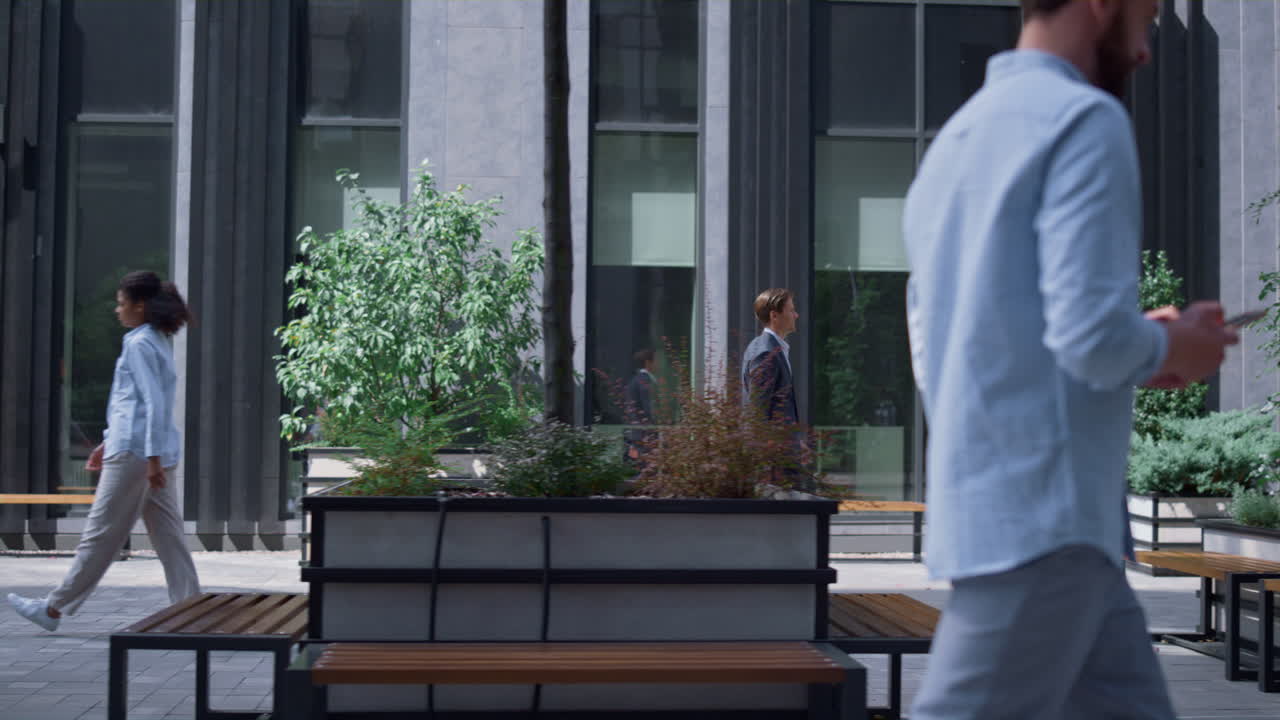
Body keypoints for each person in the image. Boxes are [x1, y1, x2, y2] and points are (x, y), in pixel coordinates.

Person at [902, 1, 1239, 717]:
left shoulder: (954, 143)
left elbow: (953, 348)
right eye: (1144, 19)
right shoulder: (1083, 120)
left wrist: (1133, 341)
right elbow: (1091, 341)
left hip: (1015, 514)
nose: (1144, 51)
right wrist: (1174, 344)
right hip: (1048, 520)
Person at [8, 271, 201, 631]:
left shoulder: (138, 343)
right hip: (148, 451)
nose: (117, 310)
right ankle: (191, 608)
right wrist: (110, 443)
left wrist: (150, 459)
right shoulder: (157, 339)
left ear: (139, 306)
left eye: (121, 303)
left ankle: (52, 609)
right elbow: (136, 404)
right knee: (169, 537)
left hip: (137, 455)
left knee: (100, 534)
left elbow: (152, 402)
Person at [741, 288, 808, 487]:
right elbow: (757, 410)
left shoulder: (768, 347)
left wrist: (796, 442)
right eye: (791, 310)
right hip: (775, 459)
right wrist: (769, 453)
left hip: (782, 451)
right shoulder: (766, 353)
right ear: (774, 315)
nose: (796, 315)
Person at [623, 348, 657, 464]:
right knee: (646, 463)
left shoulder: (636, 379)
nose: (658, 364)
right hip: (644, 431)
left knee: (642, 463)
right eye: (656, 361)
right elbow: (649, 406)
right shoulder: (644, 380)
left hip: (639, 430)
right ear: (648, 362)